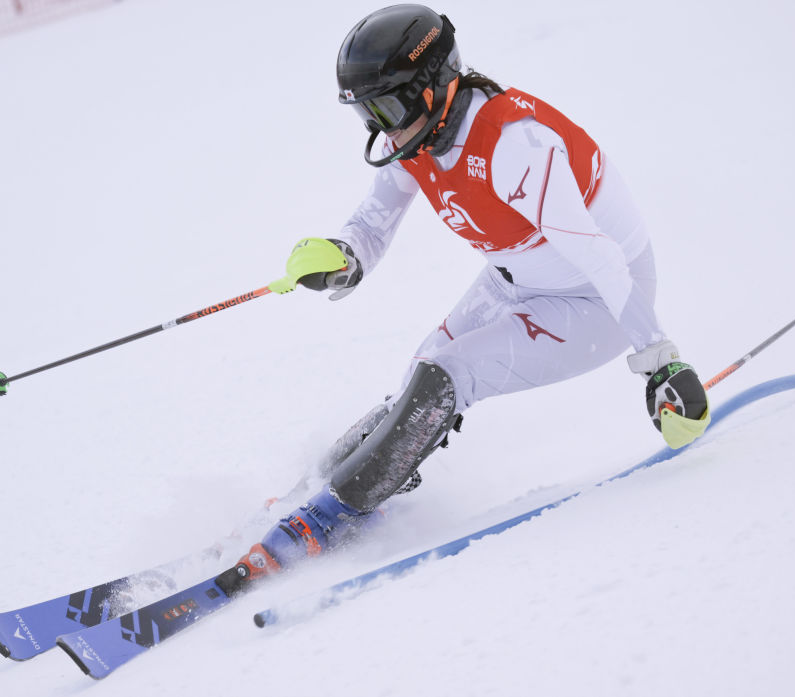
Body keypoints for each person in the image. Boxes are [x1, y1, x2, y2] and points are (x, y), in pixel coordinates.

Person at [219, 4, 709, 593]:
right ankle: (326, 483)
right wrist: (341, 257)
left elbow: (601, 257)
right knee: (417, 383)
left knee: (445, 370)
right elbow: (372, 225)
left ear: (434, 88)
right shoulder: (418, 138)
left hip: (598, 299)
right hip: (517, 276)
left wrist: (661, 360)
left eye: (389, 108)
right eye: (368, 114)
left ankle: (331, 515)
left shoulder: (514, 145)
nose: (385, 129)